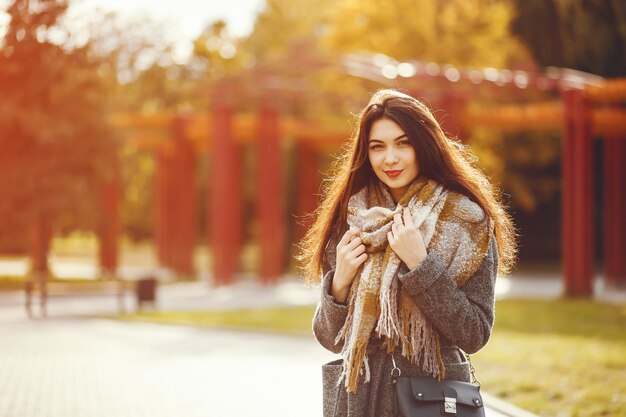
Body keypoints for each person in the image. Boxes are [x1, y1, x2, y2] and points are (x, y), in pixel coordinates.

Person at [298, 89, 517, 417]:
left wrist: (422, 265)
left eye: (404, 143)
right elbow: (331, 339)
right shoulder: (350, 220)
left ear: (425, 144)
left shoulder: (467, 220)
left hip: (432, 401)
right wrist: (339, 284)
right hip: (361, 402)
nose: (390, 158)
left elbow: (474, 333)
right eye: (378, 147)